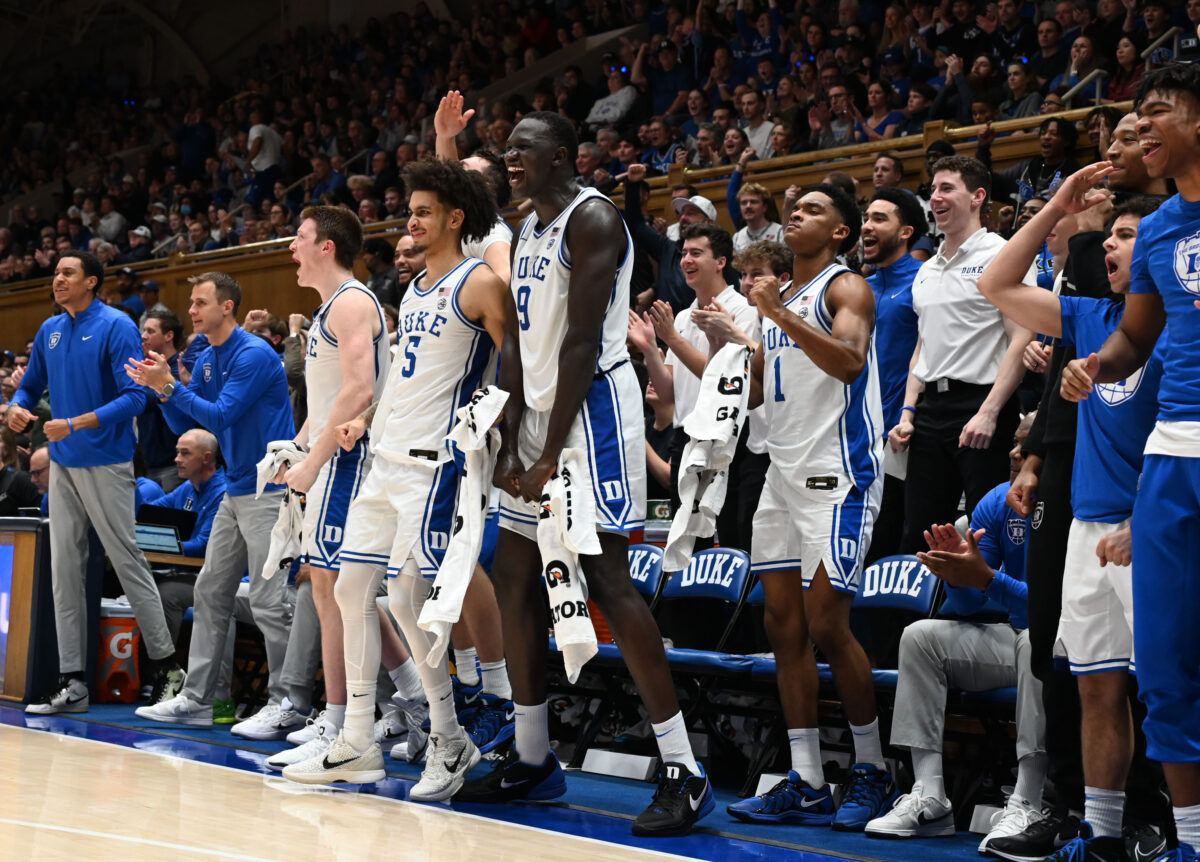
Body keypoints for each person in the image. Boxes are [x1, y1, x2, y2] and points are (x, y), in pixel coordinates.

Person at [454, 112, 712, 838]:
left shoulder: (591, 219)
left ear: (562, 157)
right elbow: (518, 343)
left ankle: (683, 770)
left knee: (608, 582)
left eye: (523, 151)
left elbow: (576, 342)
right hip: (536, 413)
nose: (511, 161)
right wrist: (509, 438)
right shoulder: (527, 227)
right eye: (505, 152)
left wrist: (544, 453)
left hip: (591, 413)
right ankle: (533, 757)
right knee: (512, 574)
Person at [281, 159, 508, 801]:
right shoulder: (412, 291)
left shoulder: (481, 283)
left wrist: (503, 432)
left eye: (424, 212)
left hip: (435, 464)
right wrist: (367, 420)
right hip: (384, 456)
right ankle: (357, 739)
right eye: (409, 211)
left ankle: (448, 736)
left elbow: (516, 359)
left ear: (455, 219)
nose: (410, 221)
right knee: (354, 590)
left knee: (409, 600)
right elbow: (406, 379)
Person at [981, 165, 1168, 862]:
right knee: (1096, 691)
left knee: (1172, 692)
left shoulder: (1185, 330)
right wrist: (1059, 204)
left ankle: (1184, 835)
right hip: (1088, 529)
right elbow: (995, 285)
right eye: (1111, 236)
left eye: (1129, 236)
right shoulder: (1090, 316)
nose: (1112, 248)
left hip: (1157, 525)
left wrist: (1147, 515)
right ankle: (1104, 835)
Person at [1058, 65, 1200, 862]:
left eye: (1156, 115)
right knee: (1167, 670)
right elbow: (1135, 337)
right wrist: (1096, 367)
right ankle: (1193, 845)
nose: (1140, 130)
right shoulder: (1162, 229)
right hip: (1175, 449)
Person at [726, 184, 898, 831]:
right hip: (781, 476)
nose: (795, 211)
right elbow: (772, 396)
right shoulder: (782, 302)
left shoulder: (844, 289)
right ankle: (805, 778)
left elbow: (850, 363)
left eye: (814, 209)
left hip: (840, 475)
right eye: (793, 205)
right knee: (783, 628)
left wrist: (776, 314)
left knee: (828, 625)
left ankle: (874, 770)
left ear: (841, 234)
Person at [9, 251, 185, 714]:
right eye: (56, 272)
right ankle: (74, 681)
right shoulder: (49, 330)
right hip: (64, 465)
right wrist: (16, 406)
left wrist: (75, 423)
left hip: (106, 461)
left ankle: (168, 668)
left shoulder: (117, 325)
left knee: (127, 561)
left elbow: (136, 398)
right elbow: (30, 385)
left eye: (67, 272)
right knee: (64, 571)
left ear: (91, 281)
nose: (57, 278)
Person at [866, 415, 1046, 850]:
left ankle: (1028, 801)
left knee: (1034, 639)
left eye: (1025, 446)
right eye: (1014, 443)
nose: (1013, 453)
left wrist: (987, 579)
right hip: (1013, 639)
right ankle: (930, 797)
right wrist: (957, 574)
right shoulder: (997, 501)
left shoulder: (1072, 504)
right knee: (920, 636)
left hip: (1063, 647)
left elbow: (1049, 609)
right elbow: (968, 608)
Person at [128, 271, 296, 732]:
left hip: (272, 490)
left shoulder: (254, 354)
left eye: (201, 303)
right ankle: (200, 699)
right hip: (238, 488)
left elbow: (221, 416)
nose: (193, 311)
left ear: (227, 307)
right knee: (209, 590)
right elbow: (191, 419)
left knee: (267, 602)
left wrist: (170, 385)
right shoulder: (206, 360)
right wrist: (160, 390)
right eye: (192, 303)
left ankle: (286, 703)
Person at [255, 205, 392, 758]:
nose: (292, 248)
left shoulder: (353, 302)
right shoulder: (333, 306)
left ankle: (339, 725)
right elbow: (330, 395)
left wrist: (314, 462)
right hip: (330, 455)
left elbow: (361, 389)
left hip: (348, 461)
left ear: (327, 247)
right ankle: (393, 705)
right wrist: (298, 444)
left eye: (300, 238)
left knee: (337, 592)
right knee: (333, 589)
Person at [888, 157, 1034, 556]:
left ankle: (993, 615)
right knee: (920, 532)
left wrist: (988, 412)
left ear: (978, 197)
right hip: (929, 411)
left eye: (947, 188)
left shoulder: (1003, 254)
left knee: (986, 531)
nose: (936, 197)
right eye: (933, 190)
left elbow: (1022, 338)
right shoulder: (927, 268)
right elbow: (924, 344)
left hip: (982, 403)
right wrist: (907, 413)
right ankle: (924, 618)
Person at [861, 188, 927, 563]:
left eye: (879, 219)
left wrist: (908, 415)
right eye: (866, 219)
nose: (867, 226)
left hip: (906, 434)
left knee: (897, 546)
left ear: (906, 232)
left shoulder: (925, 280)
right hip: (860, 438)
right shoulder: (858, 288)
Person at [140, 429, 228, 642]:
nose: (177, 459)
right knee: (136, 583)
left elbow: (203, 546)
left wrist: (155, 542)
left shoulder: (223, 493)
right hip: (188, 572)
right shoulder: (188, 488)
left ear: (207, 458)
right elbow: (148, 513)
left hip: (218, 578)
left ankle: (165, 665)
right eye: (178, 452)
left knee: (165, 594)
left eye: (185, 453)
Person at [138, 310, 185, 492]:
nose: (144, 336)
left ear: (169, 335)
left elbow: (145, 398)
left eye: (150, 331)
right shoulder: (148, 369)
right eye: (144, 330)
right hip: (149, 462)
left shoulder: (180, 369)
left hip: (173, 463)